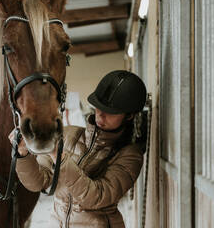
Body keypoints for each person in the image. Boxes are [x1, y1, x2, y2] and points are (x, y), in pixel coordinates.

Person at [11, 70, 147, 227]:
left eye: (110, 112)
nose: (100, 115)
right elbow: (37, 183)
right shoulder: (69, 134)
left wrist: (58, 156)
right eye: (97, 107)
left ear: (129, 116)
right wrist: (23, 153)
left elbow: (96, 197)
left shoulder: (131, 156)